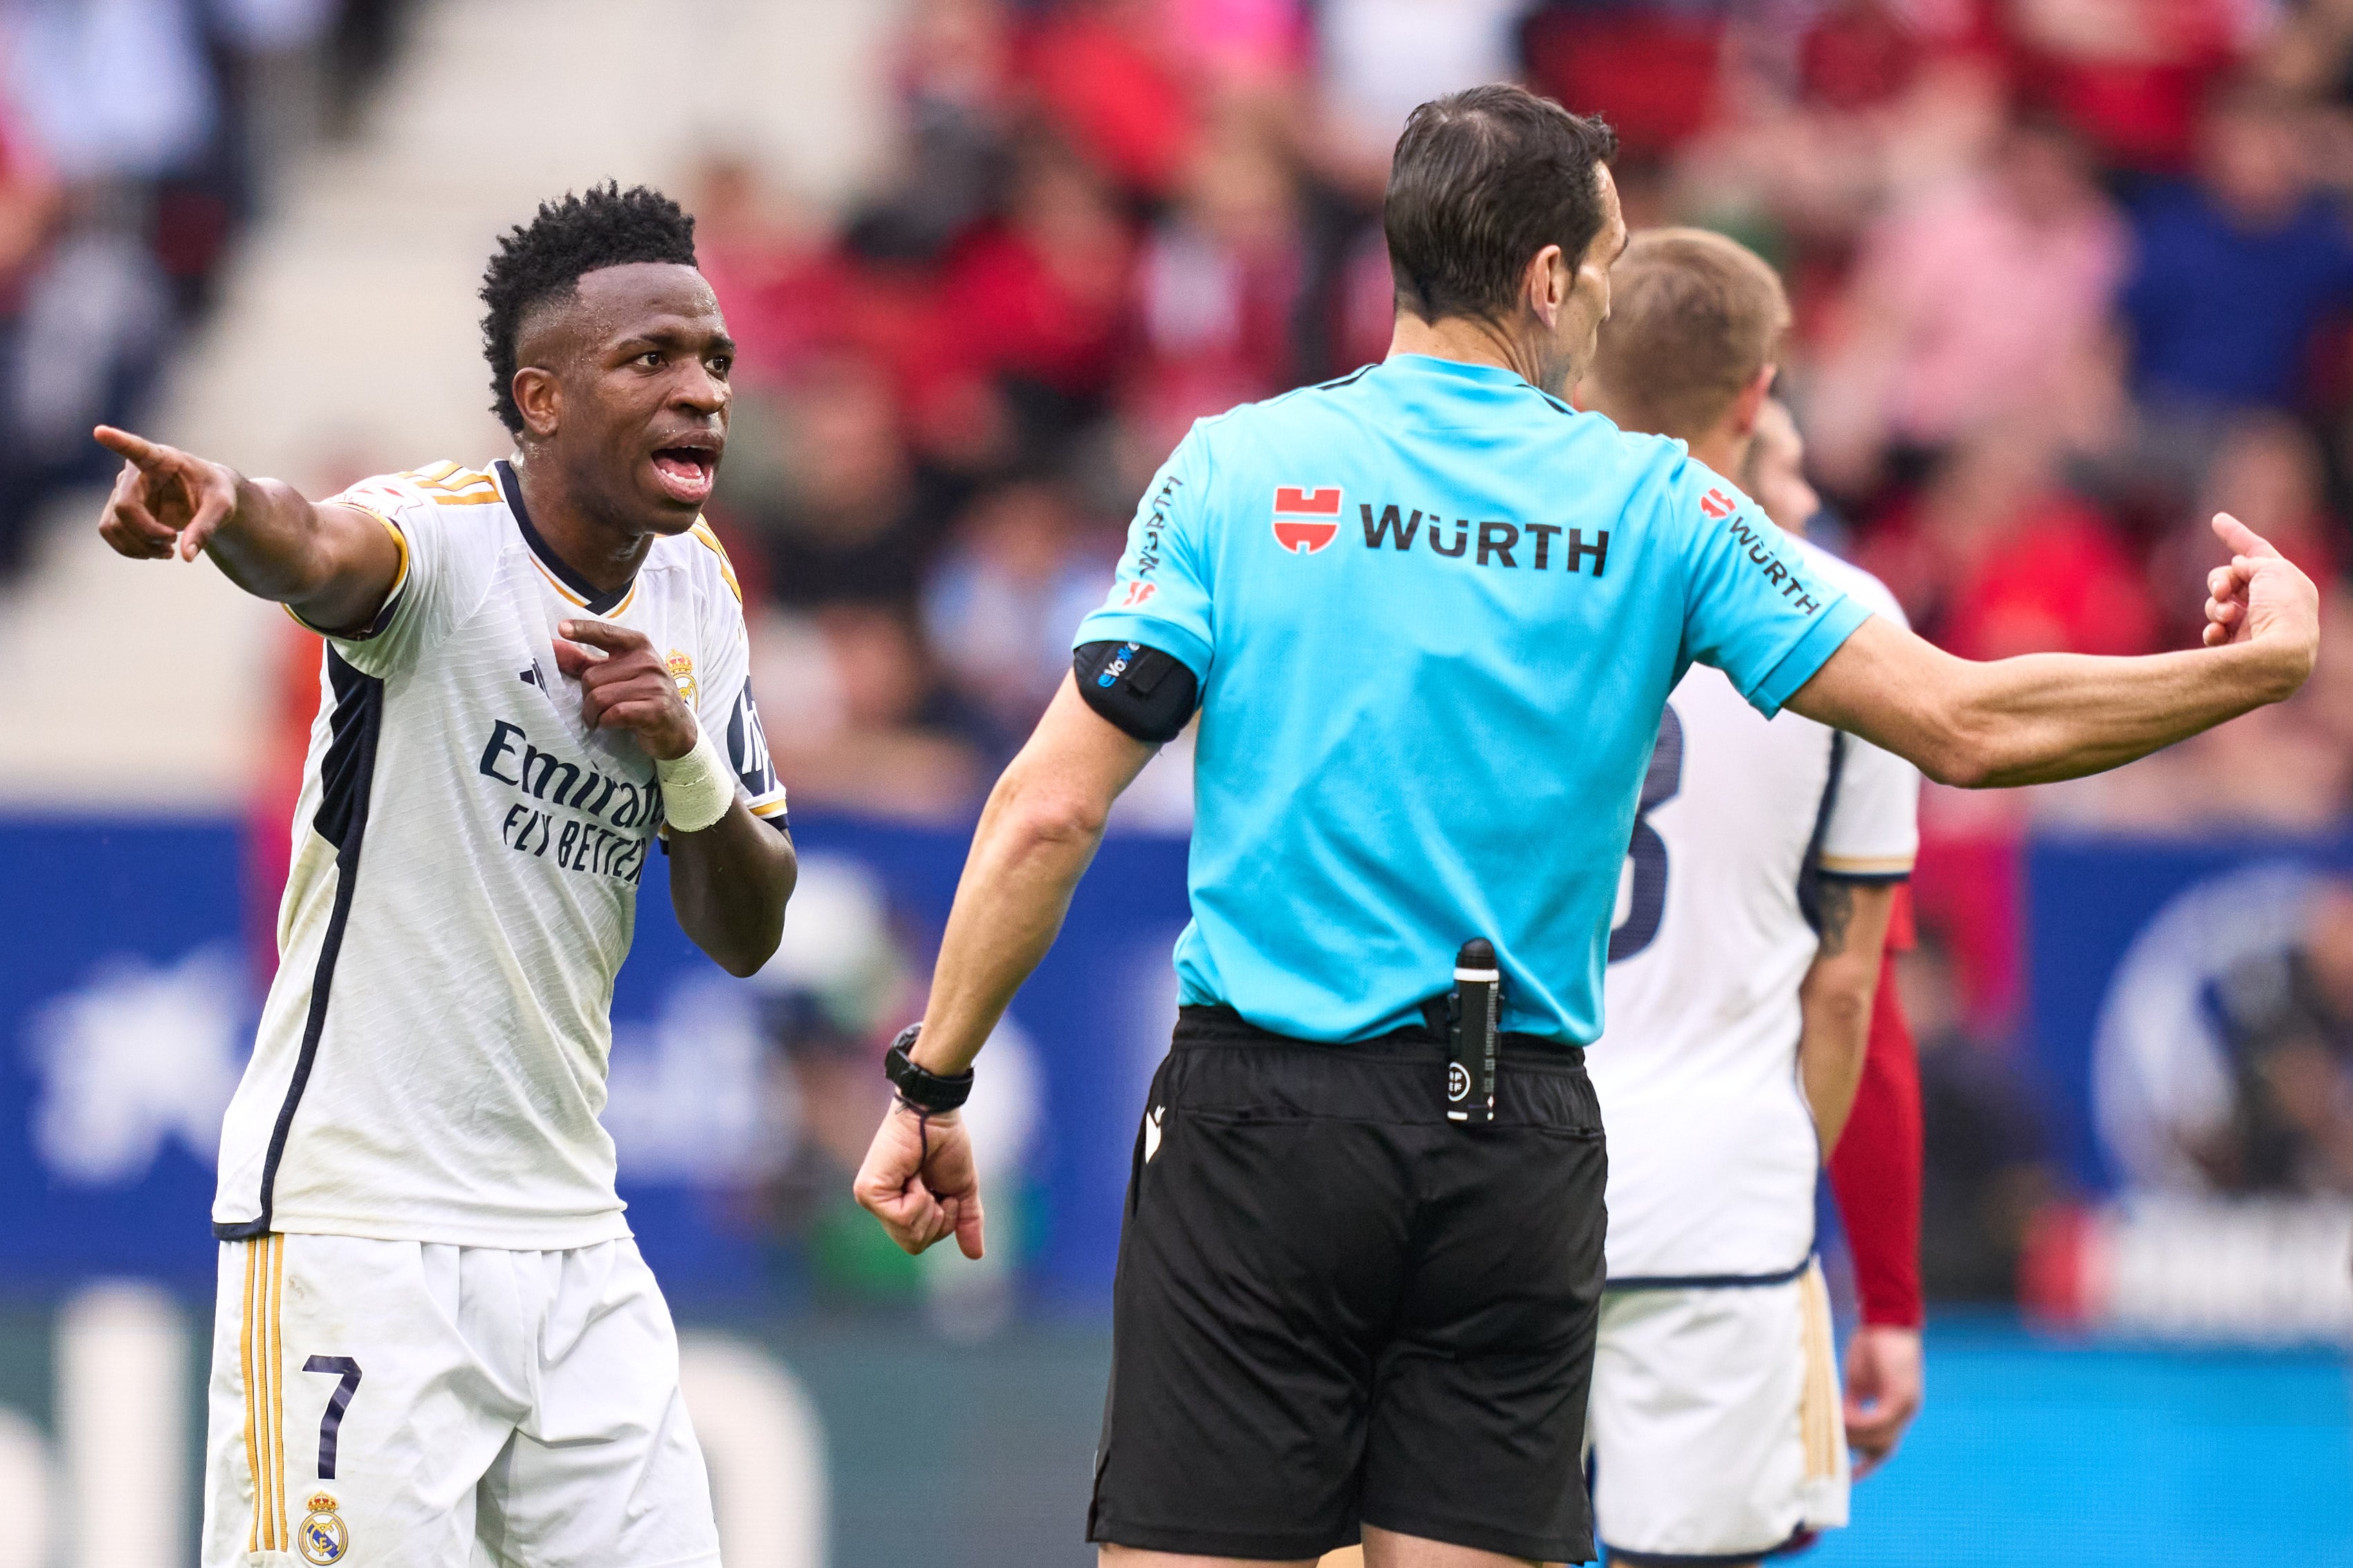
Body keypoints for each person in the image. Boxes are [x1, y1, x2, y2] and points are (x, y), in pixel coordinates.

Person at [853, 84, 2317, 1568]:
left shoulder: (1235, 468)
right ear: (1549, 277)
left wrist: (935, 1077)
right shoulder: (1662, 505)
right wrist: (2241, 673)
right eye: (1606, 264)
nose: (1608, 299)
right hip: (1518, 1137)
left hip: (1260, 1122)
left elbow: (1046, 807)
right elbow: (1967, 722)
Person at [91, 184, 797, 1568]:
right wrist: (229, 508)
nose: (700, 391)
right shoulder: (441, 541)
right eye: (650, 359)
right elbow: (318, 544)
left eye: (712, 360)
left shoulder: (699, 592)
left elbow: (748, 925)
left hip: (575, 1240)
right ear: (539, 400)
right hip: (364, 1233)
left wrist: (683, 759)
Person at [1566, 230, 1916, 1567]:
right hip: (1715, 1195)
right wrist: (1798, 1211)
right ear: (1758, 392)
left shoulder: (1493, 571)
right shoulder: (1843, 617)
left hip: (1490, 1174)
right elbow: (1845, 988)